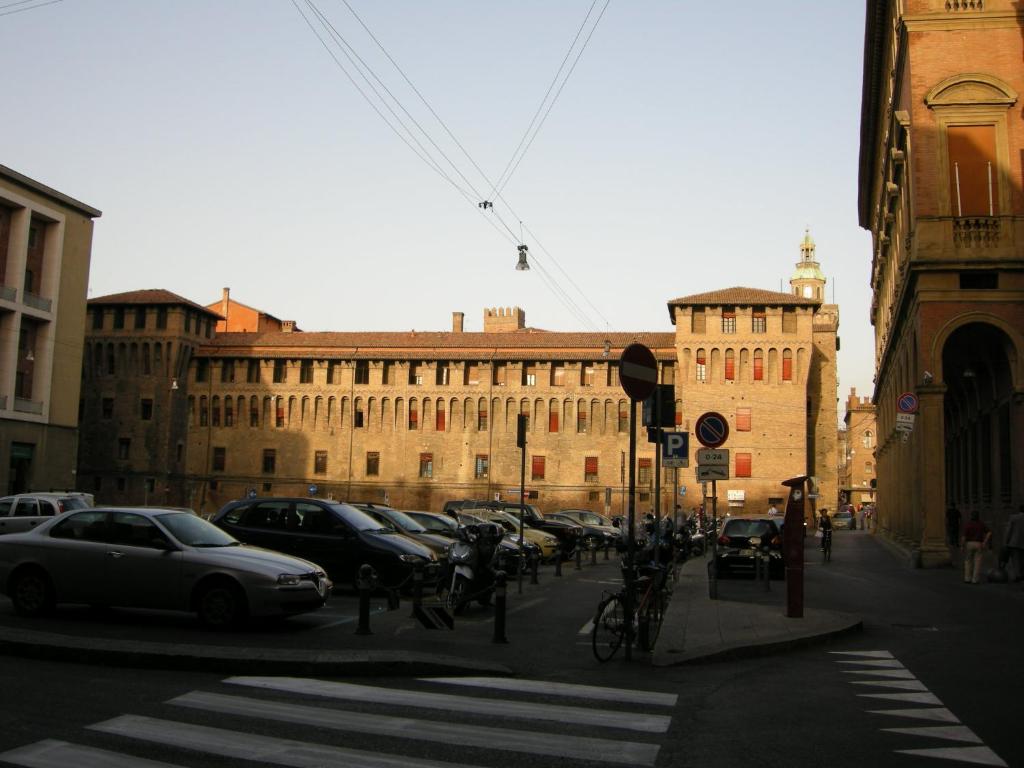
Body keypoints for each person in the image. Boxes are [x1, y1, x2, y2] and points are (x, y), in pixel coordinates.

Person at [961, 511, 991, 584]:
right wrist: (984, 542)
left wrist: (962, 545)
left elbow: (964, 536)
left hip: (969, 543)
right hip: (978, 543)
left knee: (968, 561)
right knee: (977, 562)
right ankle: (975, 579)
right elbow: (989, 532)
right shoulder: (981, 524)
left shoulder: (968, 524)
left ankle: (967, 578)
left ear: (971, 516)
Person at [1003, 505, 1024, 582]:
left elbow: (1009, 530)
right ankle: (1022, 573)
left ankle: (1018, 575)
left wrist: (1006, 542)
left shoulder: (1013, 517)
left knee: (1015, 560)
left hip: (1014, 542)